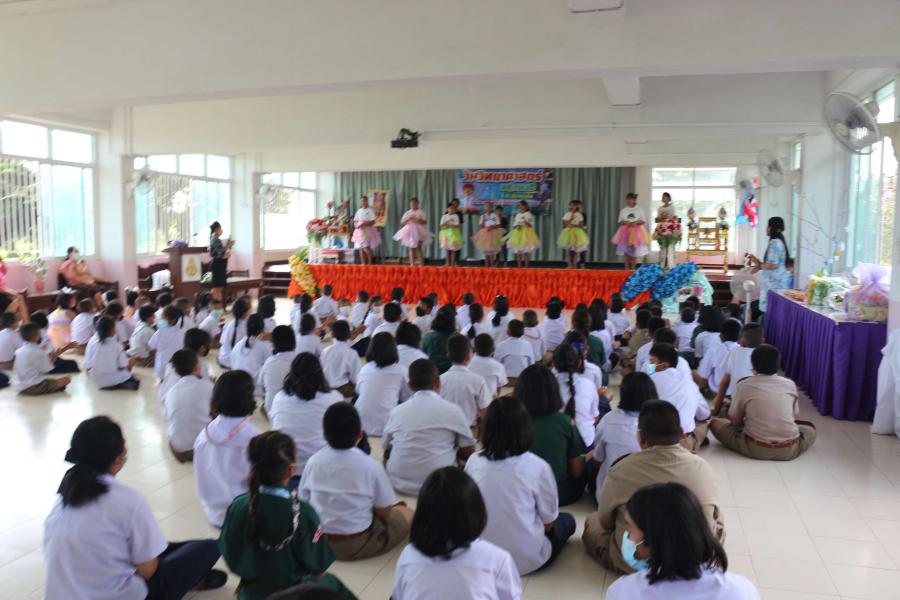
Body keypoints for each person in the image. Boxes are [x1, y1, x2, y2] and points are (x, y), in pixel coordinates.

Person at [43, 416, 225, 600]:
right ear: (120, 456)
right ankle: (191, 578)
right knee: (209, 548)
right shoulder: (128, 500)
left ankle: (189, 576)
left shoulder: (63, 497)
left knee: (158, 547)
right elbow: (147, 572)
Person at [583, 400, 725, 574]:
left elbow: (606, 522)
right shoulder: (703, 468)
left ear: (640, 437)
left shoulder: (622, 469)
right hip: (694, 559)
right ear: (682, 433)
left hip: (636, 561)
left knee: (593, 521)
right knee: (717, 515)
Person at [219, 431, 355, 600]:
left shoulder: (238, 507)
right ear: (291, 470)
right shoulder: (303, 513)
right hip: (295, 595)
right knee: (333, 584)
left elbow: (230, 552)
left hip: (251, 594)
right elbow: (318, 567)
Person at [465, 395, 575, 575]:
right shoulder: (538, 466)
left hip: (480, 557)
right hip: (527, 560)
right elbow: (549, 522)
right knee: (567, 520)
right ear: (526, 428)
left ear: (486, 429)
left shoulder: (474, 461)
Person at [300, 403, 413, 561]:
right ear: (360, 434)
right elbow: (385, 513)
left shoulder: (313, 462)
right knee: (407, 513)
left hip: (319, 541)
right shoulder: (371, 466)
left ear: (324, 434)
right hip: (357, 543)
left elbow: (304, 501)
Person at [606, 483, 758, 600]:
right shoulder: (741, 591)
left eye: (631, 530)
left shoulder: (624, 592)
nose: (628, 537)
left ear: (653, 539)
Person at [391, 467, 521, 600]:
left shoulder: (409, 555)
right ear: (476, 512)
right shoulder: (497, 560)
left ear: (422, 514)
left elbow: (398, 596)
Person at [382, 359, 477, 495]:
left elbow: (387, 448)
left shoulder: (396, 411)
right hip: (439, 485)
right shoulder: (453, 411)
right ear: (438, 382)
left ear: (409, 385)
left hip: (398, 483)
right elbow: (468, 452)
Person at [710, 344, 817, 460]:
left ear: (753, 366)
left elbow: (735, 421)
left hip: (755, 448)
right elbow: (794, 414)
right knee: (810, 430)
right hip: (789, 449)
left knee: (715, 423)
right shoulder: (790, 384)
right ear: (777, 364)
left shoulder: (744, 385)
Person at [193, 370, 260, 528]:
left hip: (213, 512)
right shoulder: (253, 436)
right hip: (244, 514)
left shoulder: (204, 435)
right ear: (249, 398)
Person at [517, 364, 585, 506]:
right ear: (554, 391)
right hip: (558, 493)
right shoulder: (565, 422)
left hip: (519, 492)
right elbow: (577, 471)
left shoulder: (510, 421)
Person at [270, 353, 345, 470]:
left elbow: (274, 425)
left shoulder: (279, 397)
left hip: (285, 467)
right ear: (320, 373)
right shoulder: (334, 398)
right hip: (321, 466)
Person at [591, 372, 658, 498]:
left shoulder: (609, 419)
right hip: (647, 499)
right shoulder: (658, 422)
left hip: (609, 498)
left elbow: (598, 460)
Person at [647, 343, 710, 452]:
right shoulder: (689, 383)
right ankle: (695, 439)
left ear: (665, 365)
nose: (649, 366)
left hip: (649, 441)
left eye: (652, 362)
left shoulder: (647, 382)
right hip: (681, 443)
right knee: (704, 422)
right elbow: (704, 415)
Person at [161, 350, 214, 462]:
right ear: (197, 366)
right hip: (205, 447)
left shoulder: (171, 392)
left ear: (175, 371)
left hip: (179, 450)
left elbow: (167, 417)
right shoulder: (209, 388)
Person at [356, 332, 409, 436]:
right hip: (387, 427)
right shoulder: (401, 371)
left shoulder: (365, 369)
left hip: (360, 426)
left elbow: (358, 391)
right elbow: (406, 397)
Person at [440, 334, 492, 431]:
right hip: (469, 431)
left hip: (444, 432)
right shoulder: (478, 380)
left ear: (448, 355)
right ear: (469, 355)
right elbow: (485, 411)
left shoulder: (440, 380)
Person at [553, 342, 600, 447]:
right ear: (579, 362)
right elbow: (595, 418)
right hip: (585, 442)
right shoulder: (588, 384)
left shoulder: (546, 385)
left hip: (557, 444)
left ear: (554, 363)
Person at [747, 216, 793, 316]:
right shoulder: (779, 241)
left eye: (768, 226)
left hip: (775, 286)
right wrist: (758, 263)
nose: (766, 229)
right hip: (777, 286)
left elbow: (772, 265)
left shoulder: (775, 242)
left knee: (771, 314)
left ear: (771, 227)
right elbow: (771, 264)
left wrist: (759, 265)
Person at [712, 322, 762, 414]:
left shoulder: (734, 352)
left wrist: (715, 411)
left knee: (717, 402)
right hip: (759, 408)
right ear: (763, 341)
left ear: (742, 341)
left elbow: (724, 384)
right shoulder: (766, 355)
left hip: (738, 406)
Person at [13, 323, 71, 394]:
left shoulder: (19, 351)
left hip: (19, 387)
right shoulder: (38, 351)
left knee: (52, 381)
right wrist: (55, 356)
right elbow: (46, 370)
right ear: (37, 336)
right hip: (34, 386)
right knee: (67, 379)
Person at [84, 317, 140, 390]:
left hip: (97, 381)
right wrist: (130, 361)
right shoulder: (116, 345)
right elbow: (123, 365)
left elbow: (87, 365)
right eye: (114, 328)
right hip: (112, 379)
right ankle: (120, 383)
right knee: (131, 361)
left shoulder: (92, 341)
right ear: (111, 330)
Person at [693, 318, 741, 395]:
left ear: (721, 336)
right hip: (738, 392)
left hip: (717, 391)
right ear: (739, 337)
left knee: (694, 373)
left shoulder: (713, 350)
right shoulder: (743, 351)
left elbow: (703, 375)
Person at [258, 325, 297, 415]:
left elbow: (260, 385)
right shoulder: (300, 360)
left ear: (273, 344)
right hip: (294, 410)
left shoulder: (269, 362)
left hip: (272, 410)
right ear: (294, 342)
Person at [320, 320, 362, 398]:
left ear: (332, 334)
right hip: (342, 390)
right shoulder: (351, 353)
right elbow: (356, 378)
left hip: (325, 388)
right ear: (349, 334)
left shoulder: (325, 351)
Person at [611, 192, 650, 270]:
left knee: (634, 250)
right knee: (625, 250)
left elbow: (643, 221)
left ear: (634, 200)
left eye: (630, 199)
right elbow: (620, 221)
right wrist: (626, 222)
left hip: (636, 232)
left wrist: (636, 222)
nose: (628, 201)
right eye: (627, 199)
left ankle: (633, 268)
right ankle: (626, 268)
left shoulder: (639, 209)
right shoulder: (624, 210)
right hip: (625, 231)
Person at [148, 305, 186, 380]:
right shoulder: (183, 332)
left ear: (173, 320)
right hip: (177, 367)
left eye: (163, 318)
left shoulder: (159, 332)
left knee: (163, 382)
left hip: (161, 366)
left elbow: (151, 348)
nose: (160, 320)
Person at [393, 197, 432, 266]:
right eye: (411, 203)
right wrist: (409, 218)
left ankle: (421, 264)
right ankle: (412, 264)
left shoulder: (420, 212)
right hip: (410, 231)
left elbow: (424, 222)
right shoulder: (408, 212)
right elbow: (402, 222)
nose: (413, 204)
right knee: (411, 248)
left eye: (414, 203)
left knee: (419, 247)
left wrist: (418, 220)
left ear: (417, 204)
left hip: (419, 230)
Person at [469, 333, 508, 398]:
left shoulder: (467, 364)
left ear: (474, 348)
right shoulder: (498, 366)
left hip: (471, 400)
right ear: (493, 349)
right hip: (490, 401)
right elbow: (499, 387)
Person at [505, 200, 539, 268]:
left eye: (522, 205)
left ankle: (526, 266)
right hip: (518, 233)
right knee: (519, 250)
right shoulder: (518, 214)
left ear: (526, 206)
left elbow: (530, 225)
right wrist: (517, 226)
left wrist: (525, 222)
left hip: (526, 233)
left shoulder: (528, 214)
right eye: (520, 205)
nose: (521, 207)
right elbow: (514, 225)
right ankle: (519, 266)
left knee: (526, 250)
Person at [653, 192, 682, 270]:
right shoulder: (660, 208)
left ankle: (672, 266)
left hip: (671, 229)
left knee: (671, 247)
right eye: (663, 197)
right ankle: (662, 266)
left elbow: (675, 218)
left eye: (665, 197)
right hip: (662, 229)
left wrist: (669, 218)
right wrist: (661, 218)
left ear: (669, 198)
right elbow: (656, 220)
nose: (664, 198)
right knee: (663, 248)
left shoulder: (672, 208)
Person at [558, 199, 589, 269]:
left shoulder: (579, 214)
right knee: (570, 251)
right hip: (568, 233)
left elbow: (581, 225)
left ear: (577, 206)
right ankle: (569, 265)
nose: (572, 207)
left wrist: (574, 225)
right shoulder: (567, 214)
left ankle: (575, 266)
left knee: (576, 251)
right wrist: (571, 218)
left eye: (574, 205)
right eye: (571, 205)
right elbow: (566, 224)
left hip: (577, 233)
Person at [422, 309, 455, 373]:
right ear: (452, 321)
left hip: (432, 373)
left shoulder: (428, 337)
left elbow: (424, 355)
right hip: (451, 372)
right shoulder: (456, 337)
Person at [208, 221, 234, 303]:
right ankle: (215, 305)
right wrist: (228, 246)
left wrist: (228, 247)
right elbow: (221, 254)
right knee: (217, 288)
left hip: (220, 266)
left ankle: (217, 305)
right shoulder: (215, 239)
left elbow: (222, 251)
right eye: (220, 229)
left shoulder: (216, 239)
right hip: (218, 266)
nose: (221, 231)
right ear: (216, 229)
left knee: (219, 288)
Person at [352, 195, 381, 265]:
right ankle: (363, 263)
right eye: (362, 201)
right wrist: (356, 225)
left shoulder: (370, 210)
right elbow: (355, 220)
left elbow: (373, 222)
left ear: (367, 201)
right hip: (359, 231)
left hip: (367, 231)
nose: (363, 202)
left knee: (366, 247)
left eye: (365, 201)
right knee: (361, 248)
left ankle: (370, 263)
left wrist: (364, 224)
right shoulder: (359, 211)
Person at [472, 201, 503, 266]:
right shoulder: (483, 216)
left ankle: (491, 266)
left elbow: (498, 225)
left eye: (489, 206)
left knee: (491, 252)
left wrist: (492, 227)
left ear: (492, 208)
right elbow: (480, 226)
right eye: (486, 206)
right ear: (484, 207)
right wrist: (483, 224)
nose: (487, 208)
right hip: (485, 234)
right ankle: (486, 267)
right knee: (486, 252)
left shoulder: (494, 216)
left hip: (493, 234)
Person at [0, 256, 29, 323]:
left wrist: (1, 260)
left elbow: (4, 269)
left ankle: (26, 325)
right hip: (1, 295)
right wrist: (13, 293)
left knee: (20, 302)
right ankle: (3, 321)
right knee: (19, 300)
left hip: (3, 293)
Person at [439, 202, 463, 267]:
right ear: (447, 209)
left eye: (453, 208)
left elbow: (458, 225)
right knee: (447, 249)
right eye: (450, 208)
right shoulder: (444, 216)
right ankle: (447, 263)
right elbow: (441, 225)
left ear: (455, 209)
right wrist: (447, 223)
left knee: (453, 249)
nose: (451, 210)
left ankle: (452, 264)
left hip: (454, 234)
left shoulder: (456, 216)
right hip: (445, 234)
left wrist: (450, 225)